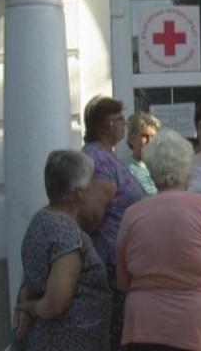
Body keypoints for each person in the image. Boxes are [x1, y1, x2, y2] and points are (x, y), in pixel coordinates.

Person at [116, 128, 201, 351]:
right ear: (187, 166)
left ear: (150, 169)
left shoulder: (133, 215)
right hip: (200, 327)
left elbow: (123, 280)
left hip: (146, 327)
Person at [12, 150, 111, 350]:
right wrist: (28, 307)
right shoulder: (66, 235)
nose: (93, 187)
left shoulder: (41, 217)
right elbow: (56, 304)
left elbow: (30, 273)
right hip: (67, 340)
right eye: (90, 182)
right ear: (78, 193)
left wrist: (24, 301)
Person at [78, 95, 147, 350]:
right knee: (117, 334)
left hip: (120, 261)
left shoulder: (106, 155)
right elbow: (91, 216)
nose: (123, 125)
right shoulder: (99, 159)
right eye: (119, 120)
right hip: (110, 264)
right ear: (105, 124)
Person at [123, 111, 161, 194]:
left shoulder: (163, 167)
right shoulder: (124, 170)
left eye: (153, 136)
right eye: (144, 136)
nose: (150, 141)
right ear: (132, 139)